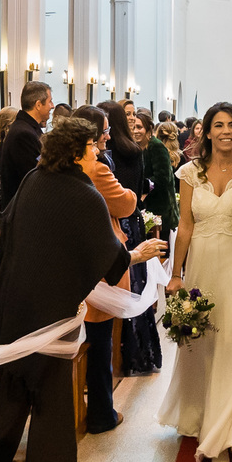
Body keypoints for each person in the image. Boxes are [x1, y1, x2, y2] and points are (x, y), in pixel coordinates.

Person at [0, 118, 162, 462]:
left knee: (15, 383)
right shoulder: (83, 194)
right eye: (92, 147)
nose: (98, 151)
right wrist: (138, 253)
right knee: (49, 389)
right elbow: (106, 258)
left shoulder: (35, 179)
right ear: (78, 153)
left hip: (12, 300)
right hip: (49, 306)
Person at [160, 102, 232, 462]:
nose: (226, 131)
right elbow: (186, 226)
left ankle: (226, 434)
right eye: (218, 125)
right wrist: (176, 274)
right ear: (205, 131)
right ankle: (199, 416)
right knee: (203, 344)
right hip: (202, 266)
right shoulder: (190, 172)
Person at [73, 105, 145, 435]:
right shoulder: (95, 167)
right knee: (100, 341)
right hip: (100, 261)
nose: (108, 136)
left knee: (88, 338)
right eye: (103, 131)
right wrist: (131, 192)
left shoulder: (61, 164)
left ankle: (87, 404)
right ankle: (102, 412)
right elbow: (125, 203)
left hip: (75, 259)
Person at [99, 101, 163, 374]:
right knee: (132, 286)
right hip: (131, 219)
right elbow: (138, 189)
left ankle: (119, 350)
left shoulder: (108, 155)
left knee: (119, 284)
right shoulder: (133, 151)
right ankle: (136, 352)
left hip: (116, 220)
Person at [0, 81, 54, 201]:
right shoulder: (23, 134)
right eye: (50, 101)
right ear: (38, 105)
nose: (52, 106)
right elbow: (34, 176)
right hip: (24, 207)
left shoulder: (28, 128)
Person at [141, 110, 180, 242]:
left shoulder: (156, 146)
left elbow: (163, 178)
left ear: (149, 130)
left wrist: (144, 186)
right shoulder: (139, 146)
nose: (135, 131)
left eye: (139, 127)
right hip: (147, 207)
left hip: (159, 208)